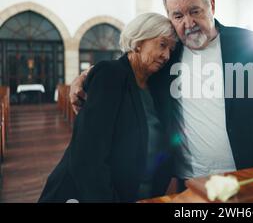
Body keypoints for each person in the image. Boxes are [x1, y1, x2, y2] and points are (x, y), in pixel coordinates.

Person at [69, 0, 253, 190]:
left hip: (243, 174)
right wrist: (88, 76)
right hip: (189, 180)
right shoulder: (169, 52)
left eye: (194, 11)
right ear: (170, 17)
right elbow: (129, 66)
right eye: (178, 16)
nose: (188, 23)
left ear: (210, 5)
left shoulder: (247, 43)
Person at [39, 13, 177, 202]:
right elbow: (88, 156)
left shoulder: (155, 84)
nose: (167, 55)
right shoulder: (110, 75)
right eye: (162, 45)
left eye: (171, 49)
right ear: (138, 41)